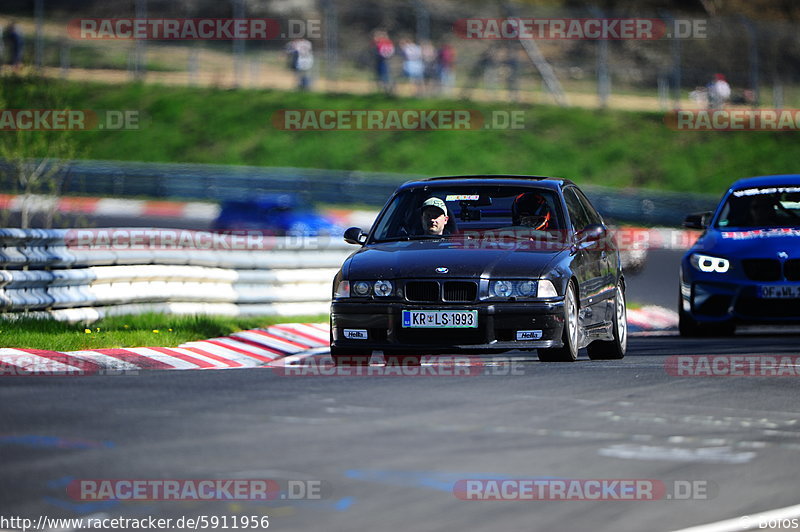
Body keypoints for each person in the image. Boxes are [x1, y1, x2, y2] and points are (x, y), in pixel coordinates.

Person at [372, 30, 394, 94]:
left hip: (382, 60)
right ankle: (385, 88)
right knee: (385, 75)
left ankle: (386, 88)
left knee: (384, 75)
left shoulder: (381, 44)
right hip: (385, 60)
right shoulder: (388, 43)